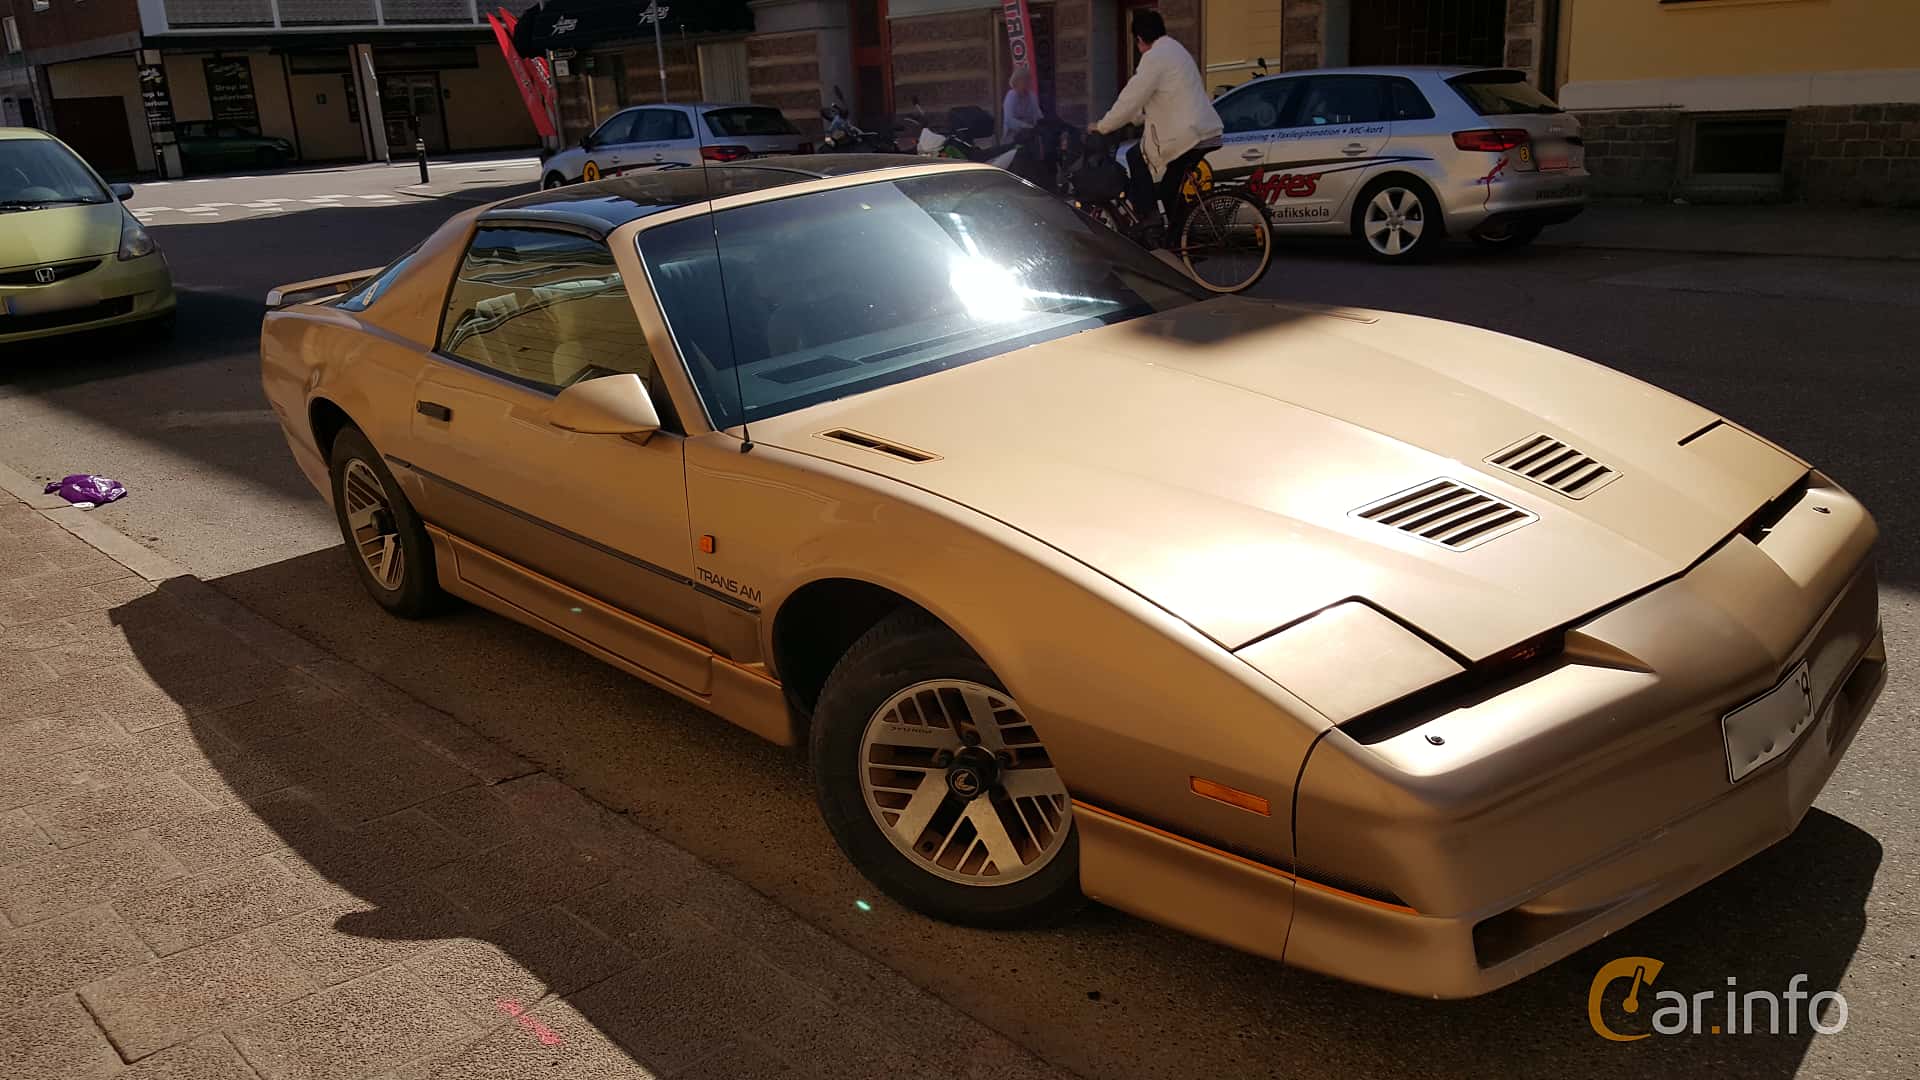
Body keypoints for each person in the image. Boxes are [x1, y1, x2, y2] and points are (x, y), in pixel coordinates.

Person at [1090, 10, 1222, 232]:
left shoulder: (1155, 57)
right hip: (1202, 131)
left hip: (1190, 135)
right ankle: (1180, 237)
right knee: (1170, 189)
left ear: (1140, 39)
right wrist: (1137, 119)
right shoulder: (1175, 49)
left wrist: (1103, 126)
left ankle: (1151, 217)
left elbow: (1131, 97)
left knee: (1135, 156)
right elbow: (1161, 98)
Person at [1002, 66, 1042, 143]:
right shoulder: (1011, 96)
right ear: (1017, 81)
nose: (1028, 82)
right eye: (1025, 80)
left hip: (1030, 134)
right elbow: (1009, 120)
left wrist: (1042, 123)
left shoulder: (1032, 96)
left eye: (1029, 79)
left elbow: (1037, 114)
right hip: (1013, 135)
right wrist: (1027, 126)